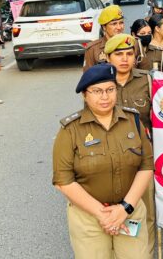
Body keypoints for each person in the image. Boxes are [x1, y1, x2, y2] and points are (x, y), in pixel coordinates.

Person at [52, 64, 153, 259]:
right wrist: (104, 215)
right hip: (88, 216)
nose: (105, 97)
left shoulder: (132, 120)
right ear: (84, 95)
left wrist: (125, 208)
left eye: (110, 89)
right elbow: (63, 180)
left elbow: (146, 165)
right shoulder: (70, 130)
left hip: (129, 211)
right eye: (97, 91)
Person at [104, 34, 156, 257]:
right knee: (115, 209)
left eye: (129, 54)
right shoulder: (100, 83)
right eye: (118, 54)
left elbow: (160, 120)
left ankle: (146, 251)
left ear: (136, 57)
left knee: (146, 212)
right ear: (108, 57)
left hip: (143, 160)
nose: (124, 59)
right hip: (111, 160)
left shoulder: (149, 81)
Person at [83, 5, 130, 71]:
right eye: (114, 24)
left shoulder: (132, 43)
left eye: (121, 23)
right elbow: (88, 76)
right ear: (104, 27)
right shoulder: (92, 49)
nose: (119, 27)